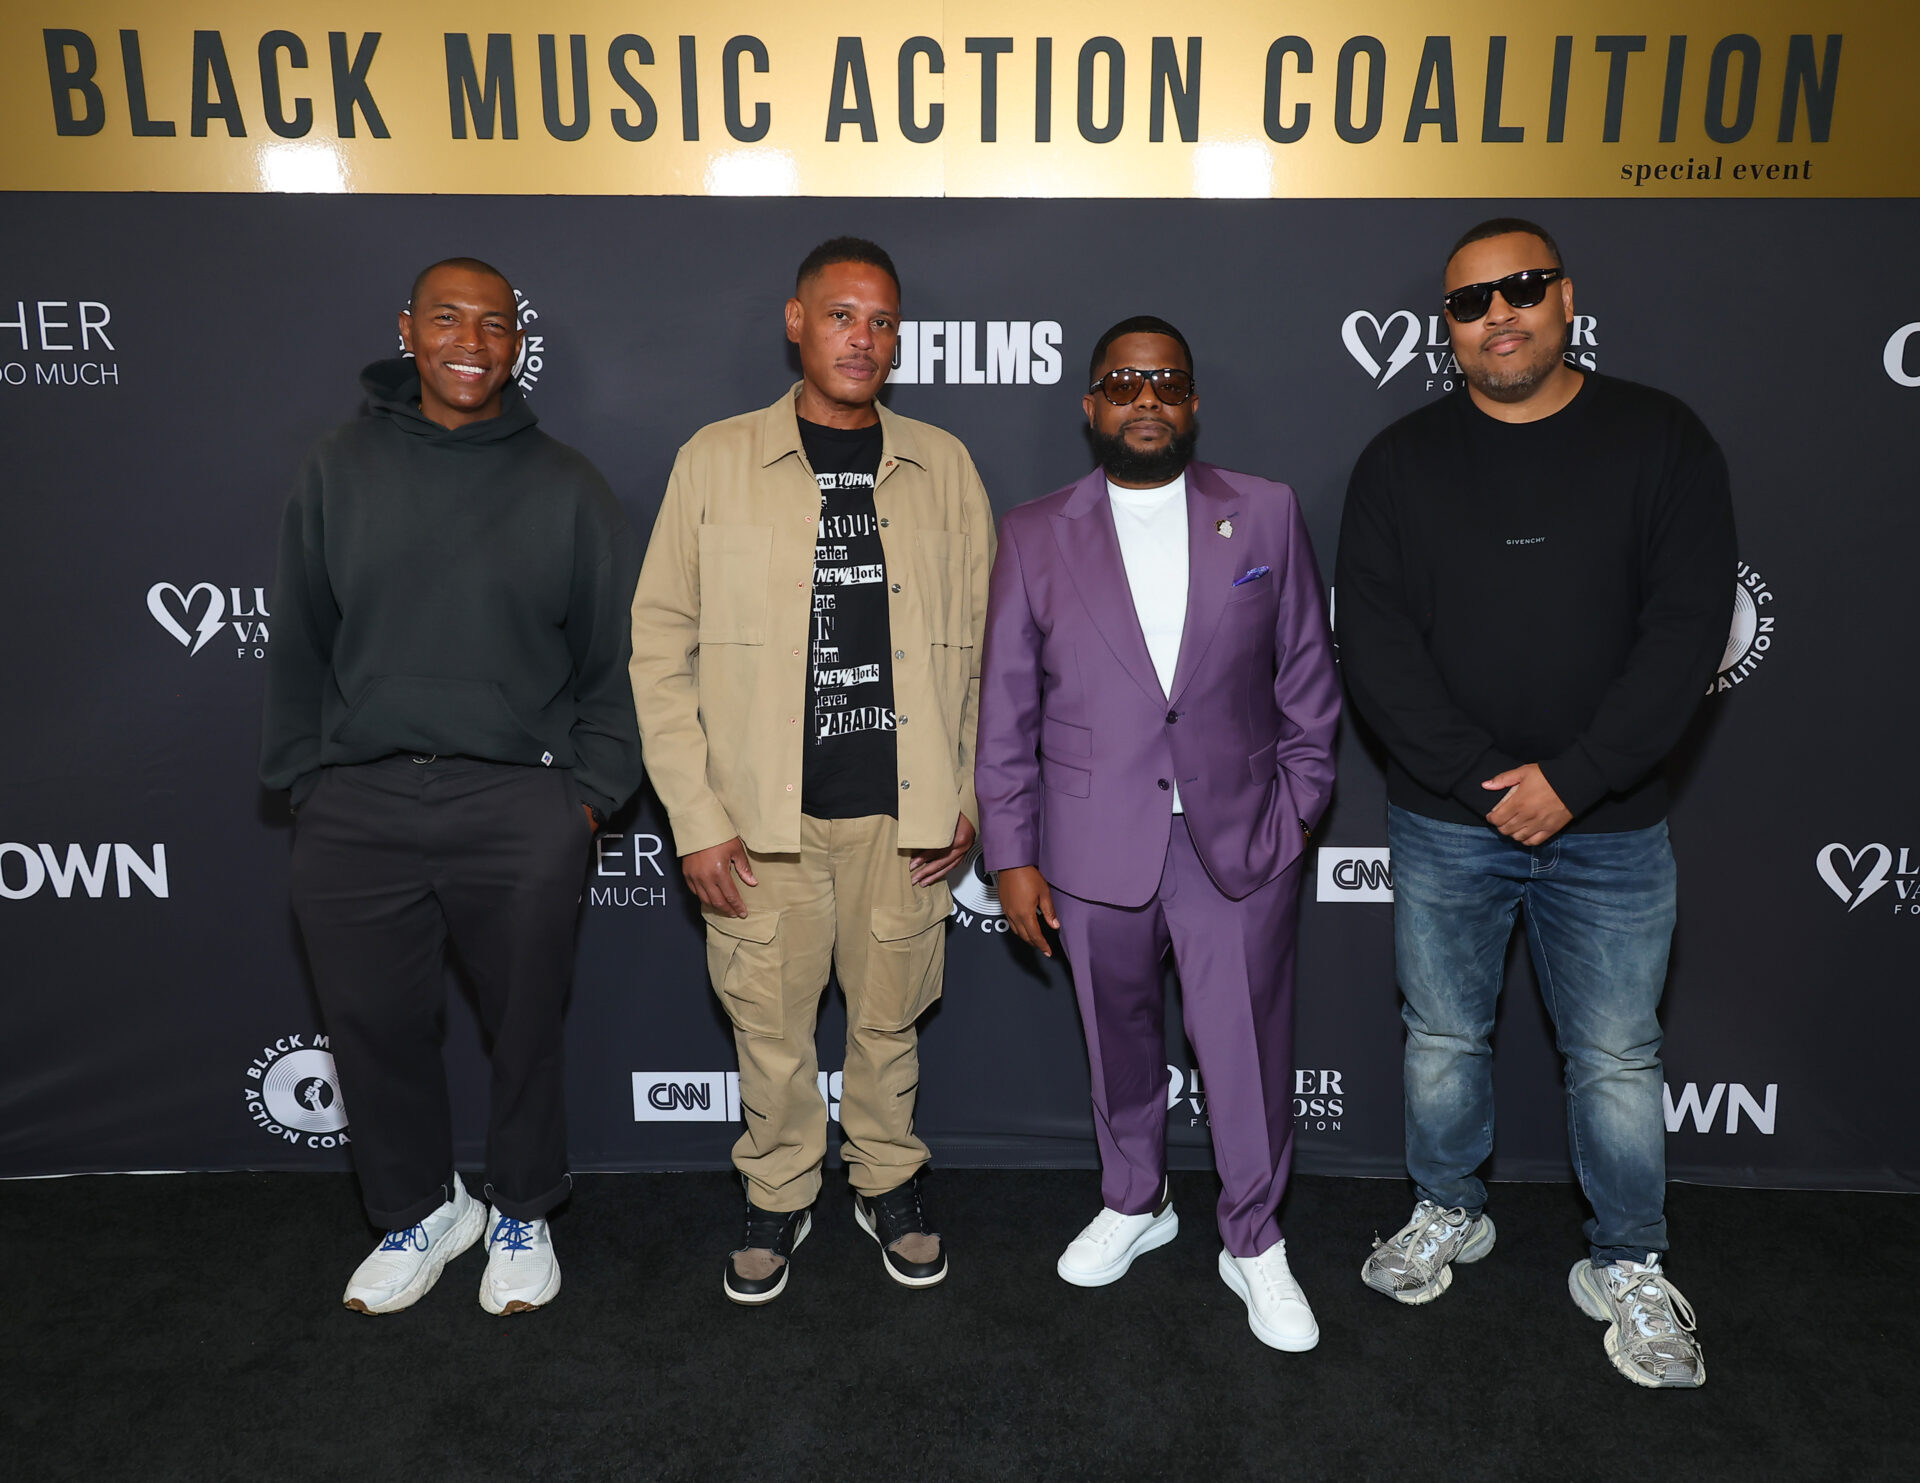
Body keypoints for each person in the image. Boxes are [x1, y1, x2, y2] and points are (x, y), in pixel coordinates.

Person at [1335, 218, 1735, 1388]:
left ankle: (1630, 1261)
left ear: (1567, 298)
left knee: (1616, 1056)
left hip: (1611, 825)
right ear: (1445, 329)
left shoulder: (1663, 440)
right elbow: (1380, 648)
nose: (1497, 313)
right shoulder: (1400, 462)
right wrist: (1481, 783)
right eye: (1469, 301)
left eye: (1521, 288)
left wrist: (1574, 778)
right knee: (1444, 1039)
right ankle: (1447, 1209)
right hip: (1446, 821)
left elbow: (1683, 633)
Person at [261, 257, 643, 1316]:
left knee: (526, 1027)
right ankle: (421, 1210)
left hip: (520, 805)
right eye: (447, 320)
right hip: (358, 802)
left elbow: (616, 659)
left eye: (493, 326)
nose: (471, 342)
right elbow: (298, 637)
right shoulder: (338, 466)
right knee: (372, 1024)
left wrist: (587, 795)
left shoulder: (566, 483)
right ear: (408, 330)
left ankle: (520, 1205)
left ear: (516, 347)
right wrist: (307, 779)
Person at [630, 237, 994, 1304]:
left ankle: (888, 1177)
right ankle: (780, 1190)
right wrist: (694, 817)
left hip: (905, 817)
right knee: (771, 1029)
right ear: (796, 322)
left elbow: (985, 648)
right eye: (841, 316)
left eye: (882, 321)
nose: (863, 339)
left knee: (888, 1020)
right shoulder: (714, 459)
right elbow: (660, 647)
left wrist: (967, 791)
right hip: (757, 822)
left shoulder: (946, 465)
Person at [975, 316, 1340, 1352]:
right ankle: (1137, 1201)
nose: (1147, 399)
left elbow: (1309, 679)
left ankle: (1254, 1239)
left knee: (1247, 1052)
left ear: (1191, 405)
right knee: (1116, 1040)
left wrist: (1297, 808)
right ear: (1091, 405)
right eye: (1124, 382)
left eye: (1167, 382)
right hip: (1092, 842)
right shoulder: (1035, 532)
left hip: (1238, 841)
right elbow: (1007, 711)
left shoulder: (1263, 514)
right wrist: (1011, 852)